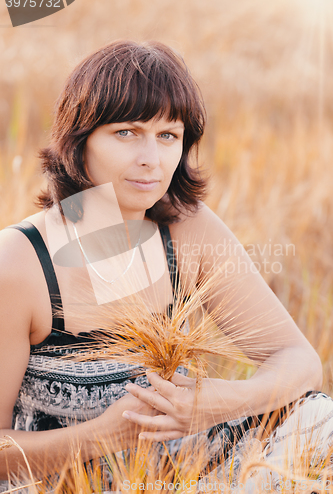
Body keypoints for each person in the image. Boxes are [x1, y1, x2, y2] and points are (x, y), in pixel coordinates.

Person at [0, 40, 330, 491]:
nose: (150, 160)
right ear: (79, 142)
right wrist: (104, 435)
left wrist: (222, 401)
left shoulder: (187, 230)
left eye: (167, 136)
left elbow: (300, 361)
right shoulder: (19, 263)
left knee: (321, 422)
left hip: (182, 474)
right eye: (126, 133)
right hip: (58, 484)